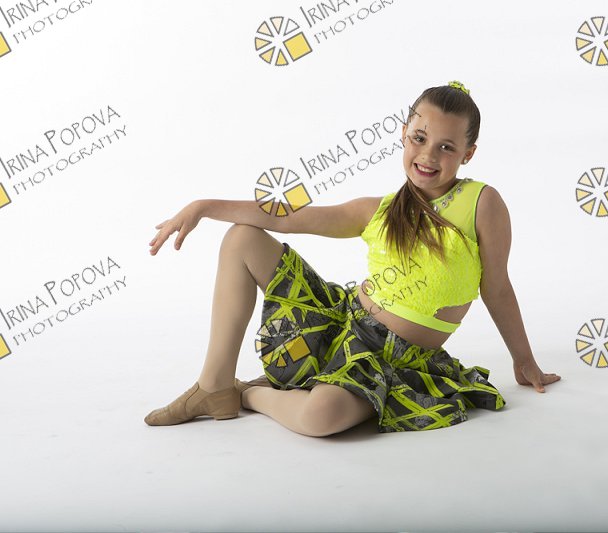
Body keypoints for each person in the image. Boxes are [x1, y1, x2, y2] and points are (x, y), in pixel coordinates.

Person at [144, 81, 561, 436]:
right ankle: (214, 385)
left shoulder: (481, 203)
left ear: (468, 153)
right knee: (242, 238)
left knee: (321, 417)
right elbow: (288, 217)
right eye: (419, 138)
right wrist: (203, 207)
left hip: (392, 360)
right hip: (340, 323)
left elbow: (496, 287)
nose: (428, 156)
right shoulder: (377, 210)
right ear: (404, 134)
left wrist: (523, 359)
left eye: (446, 147)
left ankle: (248, 393)